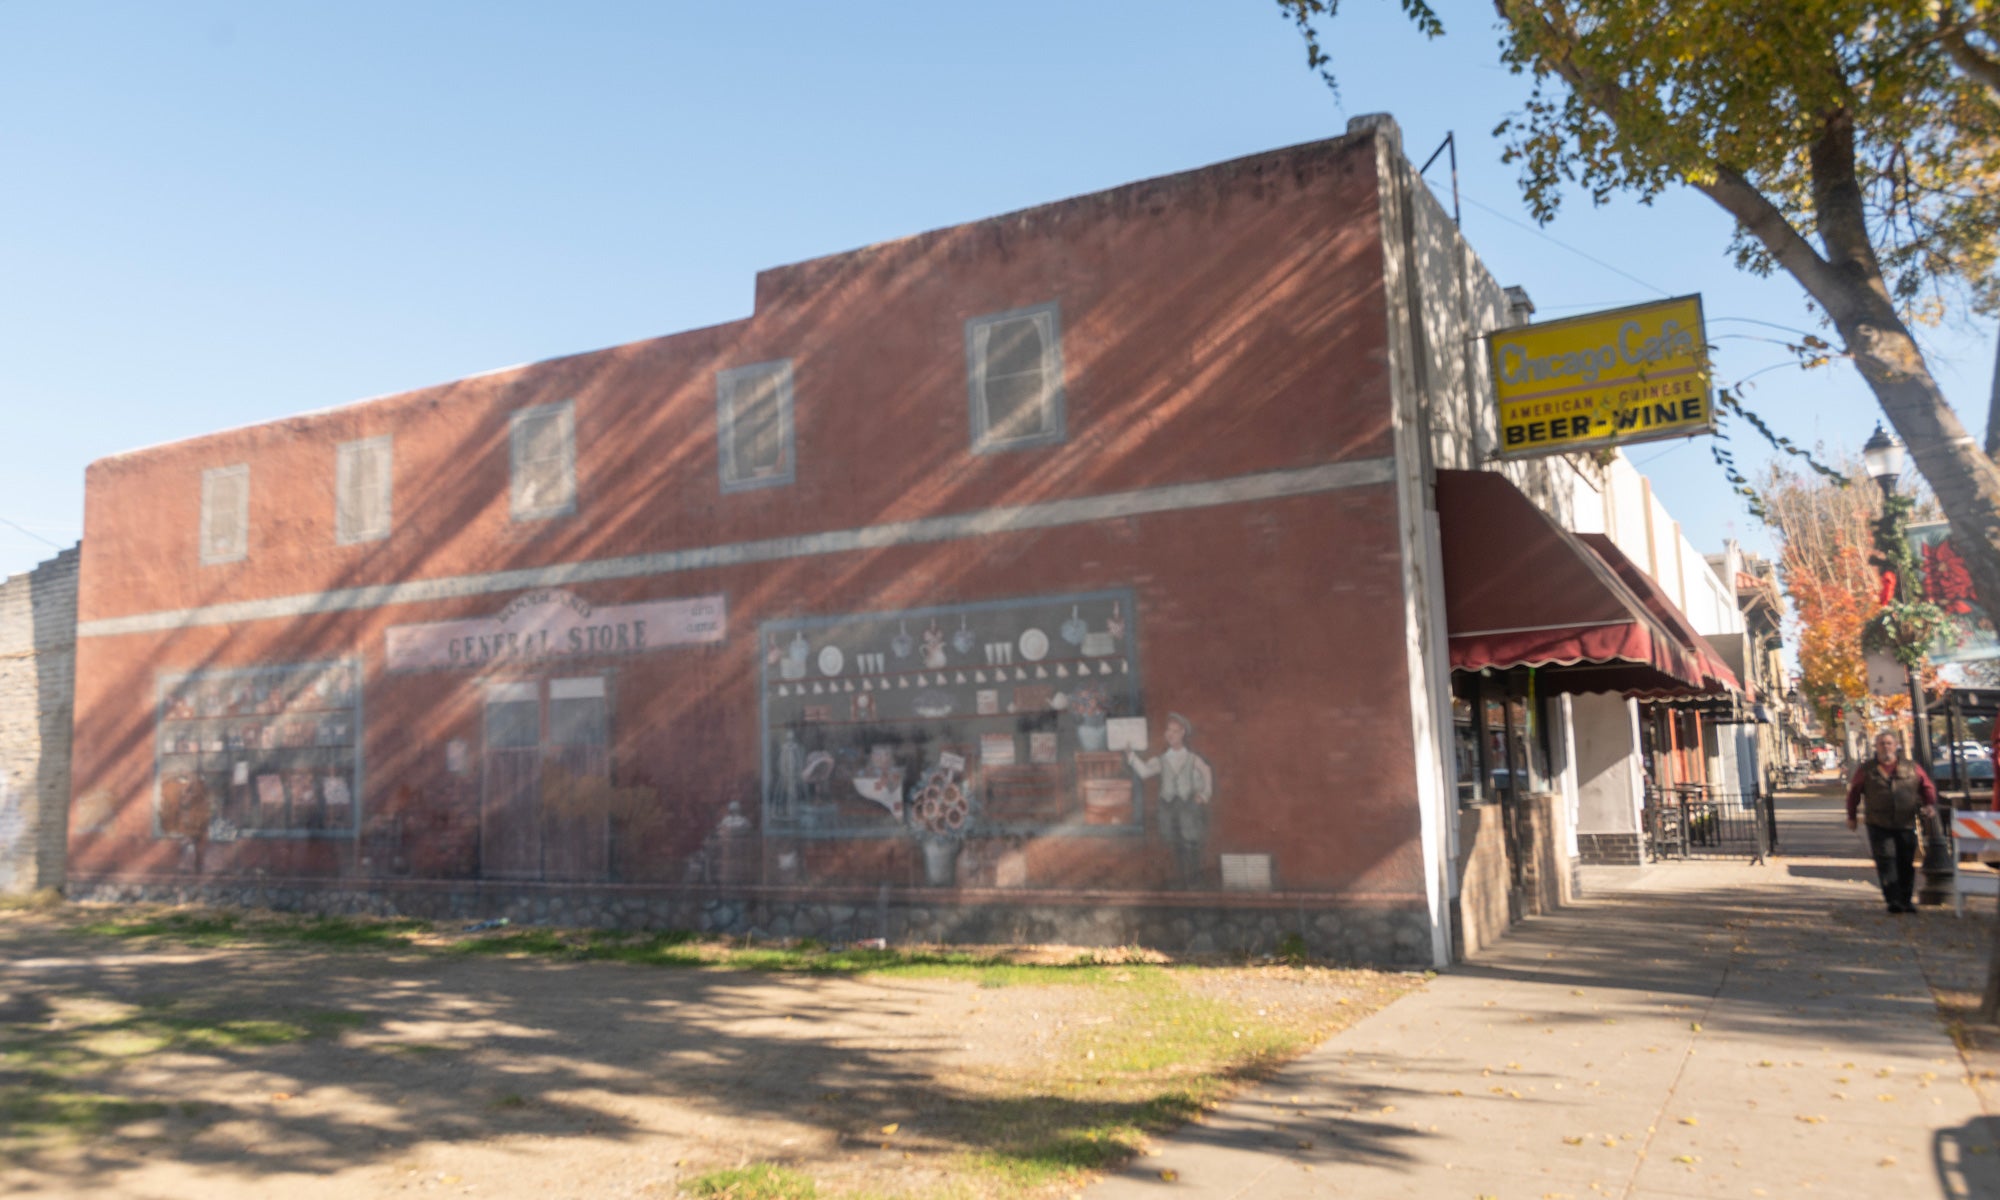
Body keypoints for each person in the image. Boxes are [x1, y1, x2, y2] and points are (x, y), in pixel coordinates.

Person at [1846, 732, 1938, 914]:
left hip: (1906, 823)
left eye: (1888, 743)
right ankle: (1893, 900)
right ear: (1876, 747)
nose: (1885, 747)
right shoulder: (1867, 769)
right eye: (1881, 744)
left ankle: (1906, 899)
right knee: (1886, 861)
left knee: (1906, 862)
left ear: (1896, 745)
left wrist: (1929, 804)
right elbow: (1854, 792)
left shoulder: (1911, 767)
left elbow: (1926, 785)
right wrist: (1852, 816)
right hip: (1878, 823)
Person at [1127, 713, 1214, 887]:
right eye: (1169, 730)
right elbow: (1144, 772)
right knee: (1172, 842)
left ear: (1182, 733)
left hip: (1188, 806)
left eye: (1175, 731)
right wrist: (1131, 755)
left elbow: (1206, 772)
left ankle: (1194, 880)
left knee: (1191, 840)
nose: (1170, 734)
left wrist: (1204, 795)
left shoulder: (1192, 758)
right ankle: (1180, 881)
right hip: (1167, 806)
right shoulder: (1161, 759)